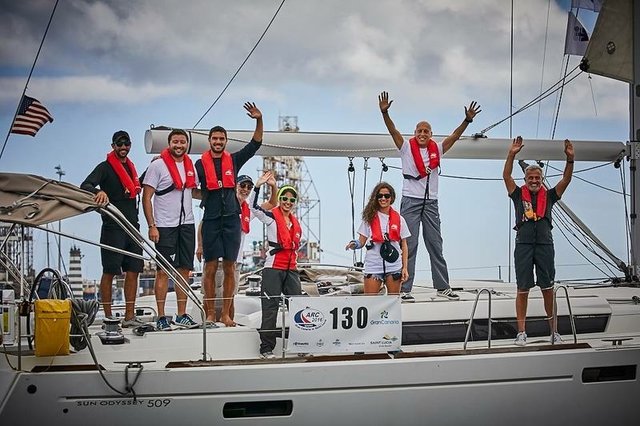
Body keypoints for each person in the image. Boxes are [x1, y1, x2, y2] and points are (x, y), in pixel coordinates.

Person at [378, 91, 481, 302]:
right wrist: (385, 113)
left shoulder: (438, 149)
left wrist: (467, 120)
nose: (422, 134)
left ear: (431, 134)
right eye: (419, 131)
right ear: (415, 133)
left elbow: (454, 136)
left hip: (431, 202)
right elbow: (393, 130)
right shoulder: (406, 148)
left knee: (435, 244)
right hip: (411, 201)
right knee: (409, 244)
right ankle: (404, 288)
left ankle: (442, 286)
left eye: (426, 131)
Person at [195, 102, 263, 327]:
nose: (218, 142)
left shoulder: (233, 160)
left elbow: (255, 144)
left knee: (229, 268)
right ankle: (210, 313)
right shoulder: (199, 164)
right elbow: (188, 182)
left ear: (225, 141)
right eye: (214, 139)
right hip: (211, 219)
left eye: (221, 139)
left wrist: (259, 119)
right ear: (209, 141)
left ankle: (225, 314)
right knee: (210, 268)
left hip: (232, 220)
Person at [503, 136, 574, 346]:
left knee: (547, 288)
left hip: (545, 245)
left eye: (537, 178)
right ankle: (521, 333)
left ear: (542, 179)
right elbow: (506, 176)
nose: (534, 181)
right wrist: (511, 154)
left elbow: (566, 180)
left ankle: (554, 332)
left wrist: (570, 159)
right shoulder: (518, 195)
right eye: (530, 178)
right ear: (525, 179)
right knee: (522, 288)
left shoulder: (550, 196)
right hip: (523, 246)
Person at [81, 130, 144, 327]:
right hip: (112, 226)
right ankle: (108, 316)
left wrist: (154, 165)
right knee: (109, 271)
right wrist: (98, 191)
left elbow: (137, 186)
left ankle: (129, 316)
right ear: (113, 146)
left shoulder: (131, 169)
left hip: (132, 227)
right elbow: (85, 185)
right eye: (119, 144)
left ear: (130, 145)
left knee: (133, 270)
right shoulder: (105, 167)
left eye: (126, 144)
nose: (123, 147)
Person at [196, 171, 278, 322]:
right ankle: (209, 320)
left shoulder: (249, 209)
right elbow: (204, 224)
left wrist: (273, 186)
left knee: (231, 296)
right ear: (235, 186)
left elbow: (272, 204)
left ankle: (227, 320)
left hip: (235, 260)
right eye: (242, 185)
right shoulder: (222, 204)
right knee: (210, 294)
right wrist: (200, 246)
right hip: (215, 257)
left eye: (249, 187)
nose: (245, 189)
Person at [142, 128, 201, 331]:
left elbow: (193, 192)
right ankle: (161, 317)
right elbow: (146, 197)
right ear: (169, 144)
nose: (179, 145)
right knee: (163, 271)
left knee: (184, 270)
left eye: (182, 142)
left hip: (187, 224)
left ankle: (181, 315)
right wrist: (152, 225)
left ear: (187, 144)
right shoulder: (157, 166)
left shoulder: (190, 165)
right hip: (165, 226)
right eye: (175, 142)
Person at [250, 178, 302, 359]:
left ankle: (301, 343)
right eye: (284, 198)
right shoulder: (271, 217)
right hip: (273, 268)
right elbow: (253, 207)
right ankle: (266, 348)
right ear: (280, 199)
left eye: (291, 199)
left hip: (292, 269)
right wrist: (258, 186)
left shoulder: (295, 222)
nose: (288, 202)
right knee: (270, 309)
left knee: (297, 307)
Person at [346, 182, 410, 295]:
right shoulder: (369, 218)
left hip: (394, 265)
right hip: (373, 265)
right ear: (376, 198)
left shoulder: (400, 219)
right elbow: (361, 241)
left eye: (386, 196)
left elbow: (404, 245)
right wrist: (354, 244)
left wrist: (405, 268)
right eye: (380, 196)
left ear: (391, 198)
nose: (383, 198)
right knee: (369, 301)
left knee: (393, 300)